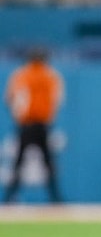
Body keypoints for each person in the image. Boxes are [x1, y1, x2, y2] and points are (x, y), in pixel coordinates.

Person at [3, 47, 65, 204]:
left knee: (19, 162)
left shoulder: (22, 75)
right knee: (48, 162)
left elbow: (10, 98)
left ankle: (9, 197)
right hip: (42, 125)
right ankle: (55, 198)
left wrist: (18, 114)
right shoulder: (50, 75)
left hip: (26, 124)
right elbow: (57, 99)